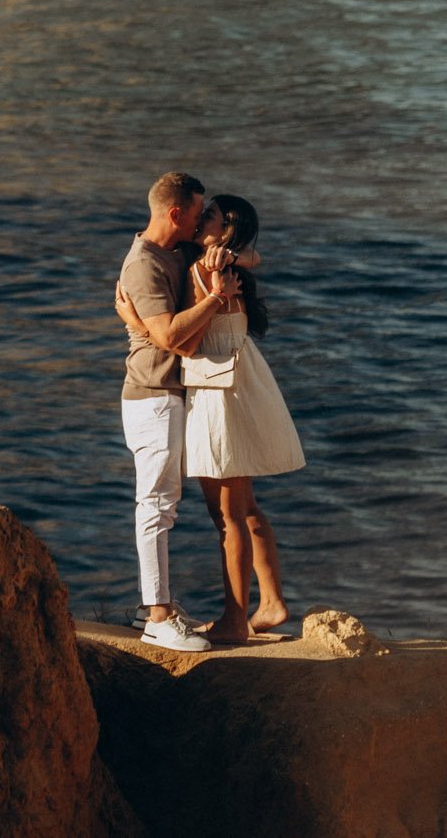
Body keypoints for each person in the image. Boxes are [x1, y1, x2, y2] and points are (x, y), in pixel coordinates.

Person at [115, 171, 235, 652]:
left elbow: (248, 255)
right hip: (152, 395)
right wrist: (214, 298)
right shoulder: (144, 264)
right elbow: (166, 337)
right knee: (156, 506)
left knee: (165, 505)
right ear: (174, 213)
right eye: (194, 213)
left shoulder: (173, 252)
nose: (197, 222)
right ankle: (157, 617)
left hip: (169, 394)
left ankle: (164, 605)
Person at [176, 192, 303, 644]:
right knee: (244, 509)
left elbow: (185, 342)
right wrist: (233, 254)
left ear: (224, 228)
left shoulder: (204, 270)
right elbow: (256, 254)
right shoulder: (229, 264)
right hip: (243, 381)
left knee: (226, 515)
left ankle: (235, 619)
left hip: (218, 389)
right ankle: (270, 602)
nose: (198, 219)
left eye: (207, 215)